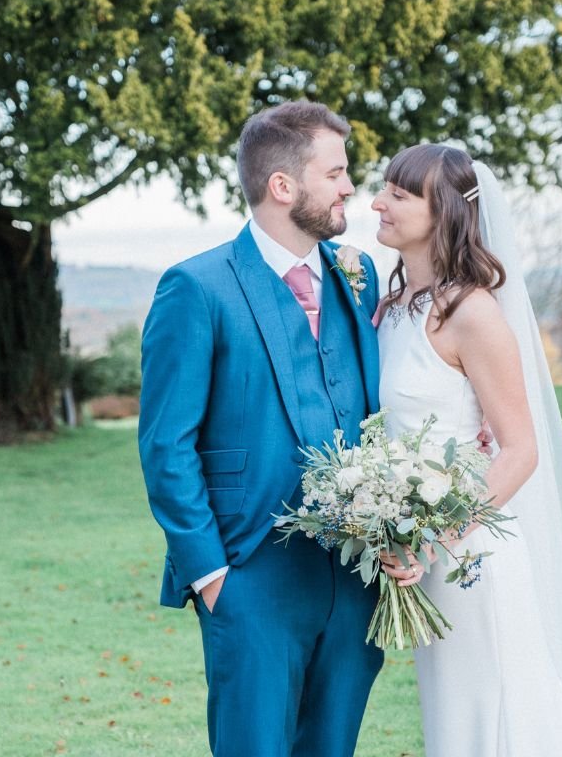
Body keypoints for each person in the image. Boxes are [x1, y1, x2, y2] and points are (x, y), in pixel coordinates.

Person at [137, 100, 384, 757]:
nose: (349, 185)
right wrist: (213, 577)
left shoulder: (357, 279)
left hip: (353, 581)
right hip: (250, 579)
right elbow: (166, 446)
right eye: (334, 172)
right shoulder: (196, 287)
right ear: (283, 186)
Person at [373, 144, 562, 755]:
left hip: (470, 557)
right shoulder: (391, 308)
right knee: (455, 718)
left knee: (501, 714)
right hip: (419, 558)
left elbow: (521, 449)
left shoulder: (473, 314)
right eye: (384, 189)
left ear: (443, 210)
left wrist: (434, 535)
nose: (378, 202)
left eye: (399, 194)